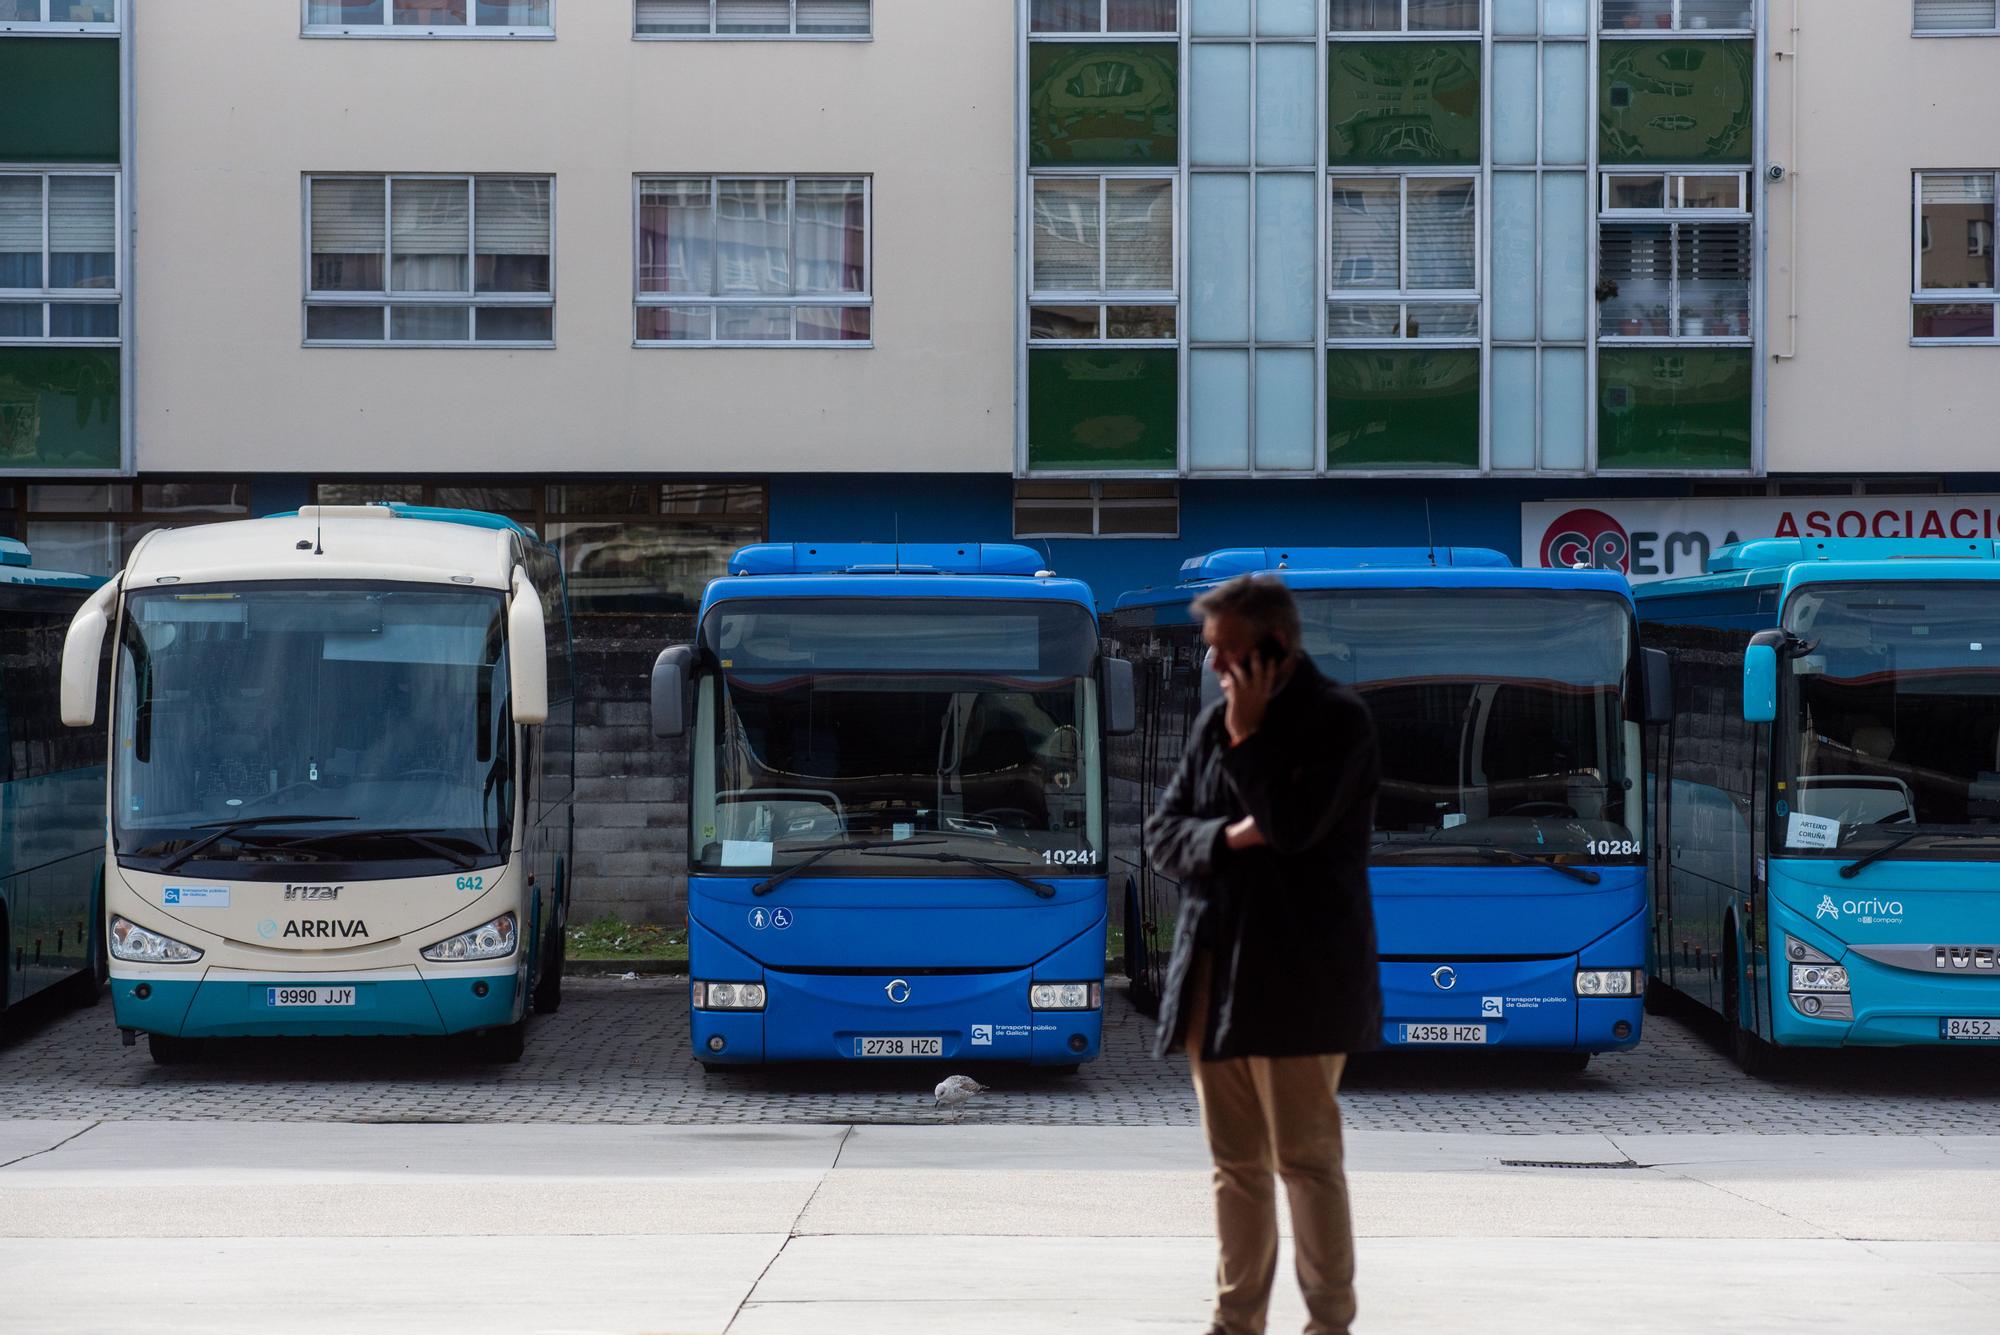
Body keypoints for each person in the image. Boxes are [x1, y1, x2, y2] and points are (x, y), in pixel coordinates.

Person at [1144, 572, 1382, 1335]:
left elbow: (1298, 826)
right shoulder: (1212, 723)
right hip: (1213, 971)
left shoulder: (1337, 721)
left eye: (1226, 654)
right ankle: (1235, 1321)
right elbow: (1162, 835)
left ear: (1274, 647)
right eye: (1211, 654)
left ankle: (1328, 1322)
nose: (1215, 668)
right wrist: (1228, 836)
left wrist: (1249, 745)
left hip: (1299, 981)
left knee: (1305, 1161)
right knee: (1235, 1167)